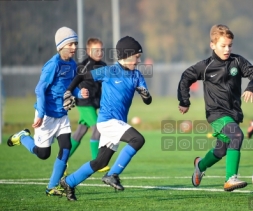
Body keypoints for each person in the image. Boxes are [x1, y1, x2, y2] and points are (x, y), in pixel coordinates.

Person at [59, 36, 152, 201]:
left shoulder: (137, 75)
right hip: (107, 121)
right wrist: (68, 91)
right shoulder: (109, 71)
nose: (138, 60)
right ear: (126, 55)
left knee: (100, 162)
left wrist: (146, 95)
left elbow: (147, 100)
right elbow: (81, 76)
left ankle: (69, 182)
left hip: (118, 124)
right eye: (136, 57)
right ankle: (113, 174)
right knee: (138, 140)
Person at [177, 24, 253, 191]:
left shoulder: (237, 61)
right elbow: (186, 77)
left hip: (234, 114)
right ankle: (231, 179)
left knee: (221, 150)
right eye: (223, 46)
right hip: (215, 114)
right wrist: (184, 101)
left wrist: (252, 87)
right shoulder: (206, 66)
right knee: (236, 135)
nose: (227, 49)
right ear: (212, 45)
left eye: (230, 45)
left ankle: (200, 166)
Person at [6, 27, 89, 196]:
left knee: (66, 147)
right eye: (71, 44)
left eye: (76, 43)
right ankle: (23, 137)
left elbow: (70, 88)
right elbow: (39, 90)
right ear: (61, 46)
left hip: (62, 116)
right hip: (46, 116)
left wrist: (80, 93)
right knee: (43, 154)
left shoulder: (72, 65)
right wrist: (41, 114)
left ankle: (51, 186)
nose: (74, 47)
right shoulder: (53, 65)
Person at [67, 37, 110, 173]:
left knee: (80, 132)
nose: (99, 52)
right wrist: (76, 93)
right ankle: (97, 162)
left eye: (101, 50)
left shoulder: (103, 66)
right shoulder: (83, 66)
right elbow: (75, 82)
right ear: (88, 51)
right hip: (84, 104)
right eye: (96, 50)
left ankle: (62, 158)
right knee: (97, 128)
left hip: (94, 104)